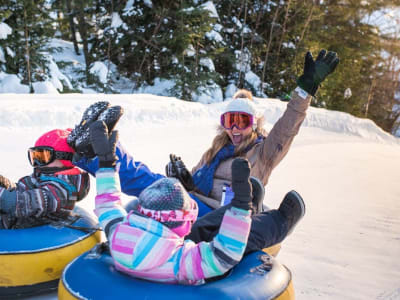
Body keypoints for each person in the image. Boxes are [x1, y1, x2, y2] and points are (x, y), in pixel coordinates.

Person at [71, 49, 339, 218]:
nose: (234, 128)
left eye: (241, 121)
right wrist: (185, 179)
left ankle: (97, 150)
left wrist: (304, 92)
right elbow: (196, 188)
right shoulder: (217, 149)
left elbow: (288, 127)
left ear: (254, 125)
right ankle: (95, 146)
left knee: (152, 185)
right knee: (151, 180)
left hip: (223, 217)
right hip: (197, 204)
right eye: (229, 121)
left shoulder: (266, 152)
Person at [89, 120, 302, 284]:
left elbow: (108, 205)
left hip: (161, 240)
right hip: (189, 273)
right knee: (244, 238)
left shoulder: (118, 235)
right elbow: (225, 252)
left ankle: (240, 207)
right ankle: (279, 221)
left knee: (202, 226)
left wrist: (107, 165)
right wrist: (241, 208)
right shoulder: (180, 263)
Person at [0, 129, 90, 229]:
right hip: (16, 218)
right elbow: (23, 189)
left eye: (43, 157)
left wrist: (3, 196)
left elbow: (24, 203)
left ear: (65, 158)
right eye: (35, 156)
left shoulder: (62, 189)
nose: (38, 163)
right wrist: (5, 184)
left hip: (22, 226)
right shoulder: (44, 175)